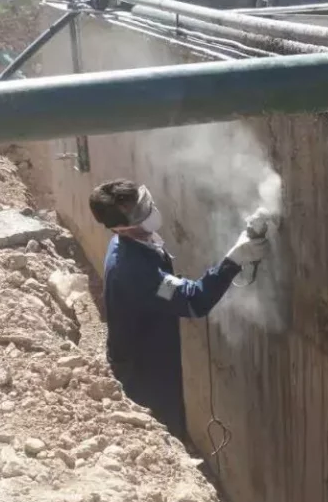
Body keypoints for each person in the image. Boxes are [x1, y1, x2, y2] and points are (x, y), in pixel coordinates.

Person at [88, 179, 270, 443]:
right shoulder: (131, 268)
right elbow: (195, 301)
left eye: (146, 202)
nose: (151, 211)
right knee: (161, 434)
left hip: (149, 350)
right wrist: (234, 260)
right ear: (121, 226)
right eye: (142, 211)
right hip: (144, 370)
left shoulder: (133, 245)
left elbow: (167, 289)